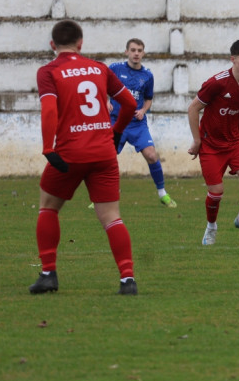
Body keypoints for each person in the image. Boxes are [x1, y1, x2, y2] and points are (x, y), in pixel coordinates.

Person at [30, 20, 139, 295]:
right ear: (81, 43)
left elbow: (49, 110)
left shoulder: (49, 71)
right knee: (112, 217)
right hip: (103, 153)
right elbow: (129, 104)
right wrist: (115, 132)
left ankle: (48, 274)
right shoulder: (100, 68)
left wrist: (47, 148)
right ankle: (127, 279)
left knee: (48, 207)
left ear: (53, 45)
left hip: (69, 153)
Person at [187, 38, 239, 246]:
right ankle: (211, 228)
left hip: (234, 143)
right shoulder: (217, 83)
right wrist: (196, 140)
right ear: (233, 59)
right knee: (216, 192)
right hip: (211, 145)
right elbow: (193, 108)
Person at [109, 38, 177, 208]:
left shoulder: (147, 76)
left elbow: (148, 99)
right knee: (106, 159)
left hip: (136, 124)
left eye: (139, 50)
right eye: (133, 50)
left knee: (152, 155)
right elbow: (101, 87)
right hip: (116, 122)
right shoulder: (115, 69)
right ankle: (103, 197)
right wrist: (105, 102)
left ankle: (163, 194)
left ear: (143, 53)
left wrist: (143, 110)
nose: (136, 53)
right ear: (127, 52)